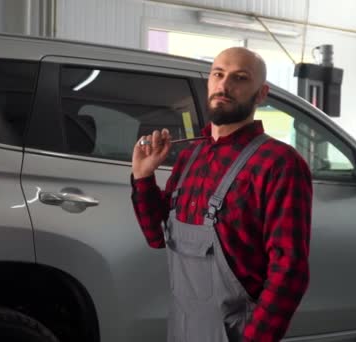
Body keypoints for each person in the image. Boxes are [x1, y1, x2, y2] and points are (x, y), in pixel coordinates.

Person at [130, 47, 312, 342]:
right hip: (183, 328)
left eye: (240, 78)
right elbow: (156, 237)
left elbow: (290, 271)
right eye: (218, 74)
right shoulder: (191, 156)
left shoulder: (279, 163)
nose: (224, 86)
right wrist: (143, 176)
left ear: (261, 93)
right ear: (209, 82)